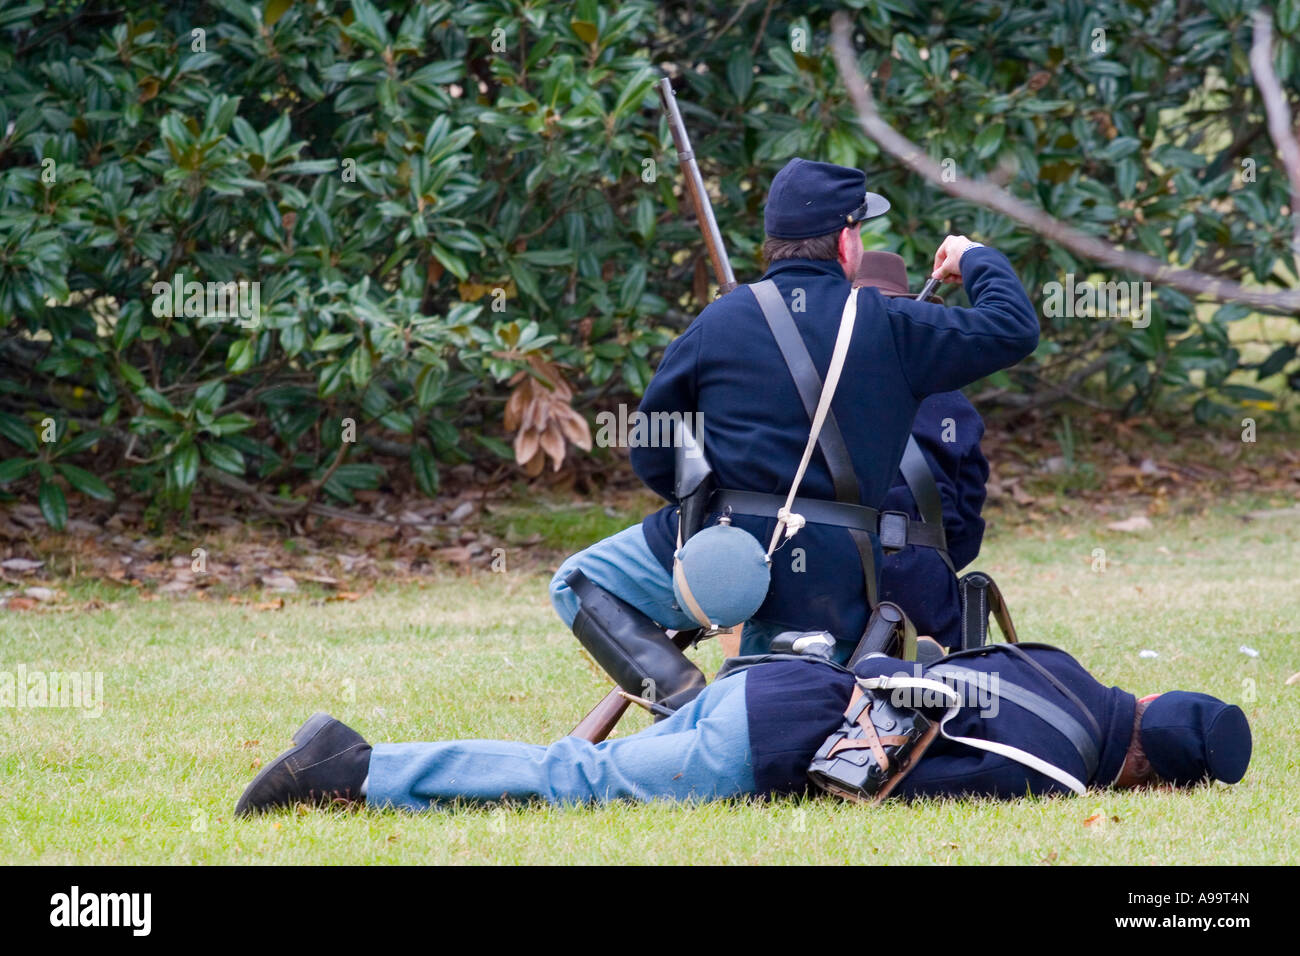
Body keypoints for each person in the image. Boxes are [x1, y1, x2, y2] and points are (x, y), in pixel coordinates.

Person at [548, 157, 1039, 681]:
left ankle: (683, 703)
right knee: (787, 692)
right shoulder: (891, 324)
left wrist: (706, 518)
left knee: (579, 579)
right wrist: (973, 255)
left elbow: (652, 444)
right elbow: (1013, 327)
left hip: (728, 541)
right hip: (843, 565)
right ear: (848, 241)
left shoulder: (718, 320)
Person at [233, 642, 1252, 815]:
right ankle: (359, 768)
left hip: (778, 681)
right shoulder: (1064, 775)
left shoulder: (1061, 666)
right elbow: (907, 783)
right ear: (1149, 773)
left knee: (590, 768)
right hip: (772, 745)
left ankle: (362, 761)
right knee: (576, 782)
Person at [851, 251, 991, 652]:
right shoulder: (953, 403)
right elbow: (965, 523)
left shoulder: (813, 393)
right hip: (922, 578)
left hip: (828, 575)